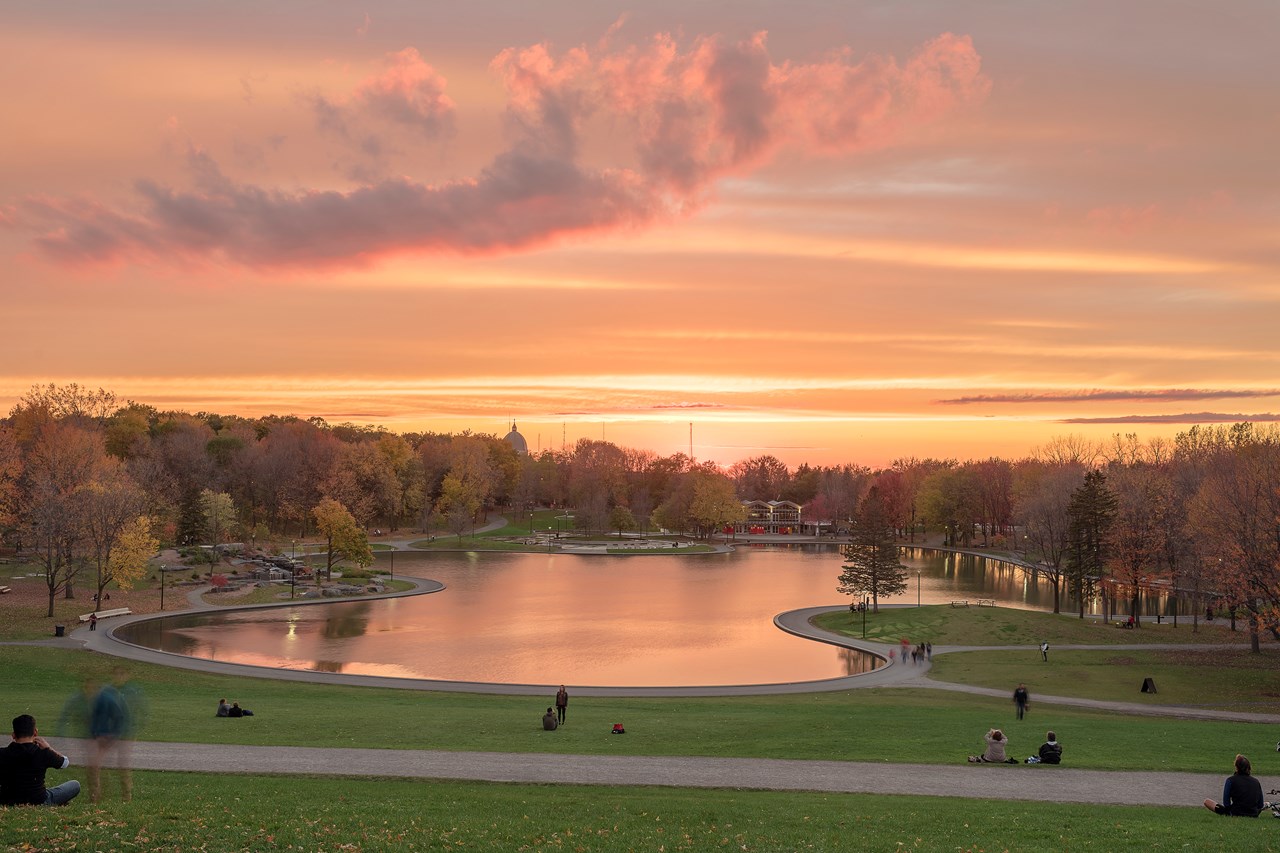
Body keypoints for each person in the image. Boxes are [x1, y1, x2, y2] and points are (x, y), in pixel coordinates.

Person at [0, 714, 81, 806]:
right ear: (35, 732)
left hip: (7, 800)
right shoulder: (43, 752)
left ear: (13, 735)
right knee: (75, 785)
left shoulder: (2, 753)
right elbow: (65, 763)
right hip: (38, 800)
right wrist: (49, 748)